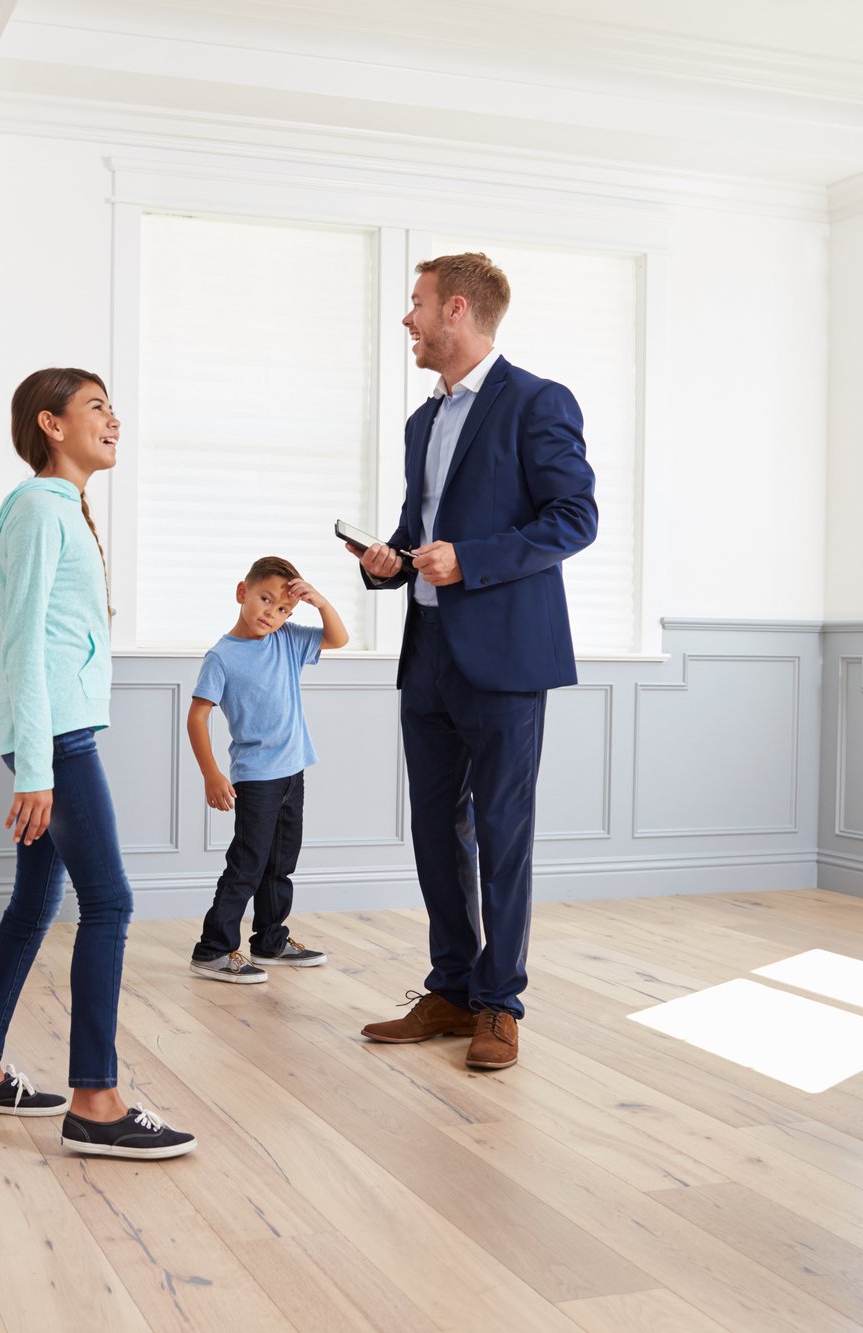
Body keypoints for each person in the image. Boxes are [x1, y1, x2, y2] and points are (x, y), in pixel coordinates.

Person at [349, 252, 597, 1072]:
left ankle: (499, 1004)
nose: (407, 320)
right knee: (432, 830)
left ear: (456, 309)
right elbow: (421, 525)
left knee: (500, 833)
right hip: (426, 657)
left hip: (504, 658)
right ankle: (451, 988)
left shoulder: (536, 402)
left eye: (415, 305)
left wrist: (471, 560)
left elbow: (574, 518)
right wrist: (387, 559)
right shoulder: (424, 420)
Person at [0, 368, 196, 1158]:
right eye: (95, 407)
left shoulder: (58, 509)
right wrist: (33, 767)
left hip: (55, 735)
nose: (112, 419)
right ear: (51, 425)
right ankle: (95, 1098)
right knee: (110, 904)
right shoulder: (35, 511)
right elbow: (18, 642)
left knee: (31, 904)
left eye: (113, 407)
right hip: (56, 742)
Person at [186, 556, 347, 983]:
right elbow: (197, 716)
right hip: (256, 777)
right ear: (242, 592)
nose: (272, 615)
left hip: (294, 770)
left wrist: (320, 601)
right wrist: (211, 773)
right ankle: (213, 949)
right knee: (248, 863)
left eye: (283, 609)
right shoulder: (221, 657)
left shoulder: (288, 639)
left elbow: (339, 638)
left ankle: (270, 940)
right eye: (265, 600)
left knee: (281, 862)